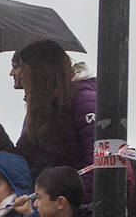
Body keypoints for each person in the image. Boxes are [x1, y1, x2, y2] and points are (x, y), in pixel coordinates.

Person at [12, 40, 97, 200]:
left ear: (41, 74)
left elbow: (98, 164)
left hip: (78, 209)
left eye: (24, 71)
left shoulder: (85, 101)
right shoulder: (44, 110)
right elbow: (23, 159)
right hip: (54, 207)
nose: (20, 76)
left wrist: (73, 208)